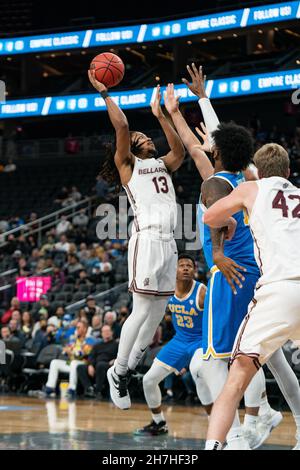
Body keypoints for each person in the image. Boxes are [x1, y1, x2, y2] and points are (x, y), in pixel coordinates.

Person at [165, 66, 298, 449]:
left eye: (215, 145)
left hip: (236, 273)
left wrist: (219, 251)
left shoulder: (229, 183)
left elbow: (200, 153)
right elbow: (209, 145)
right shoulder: (244, 181)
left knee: (217, 361)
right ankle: (269, 417)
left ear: (220, 150)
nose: (208, 146)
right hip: (262, 276)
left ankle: (236, 433)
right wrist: (194, 106)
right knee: (269, 359)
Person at [88, 70, 185, 410]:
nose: (147, 138)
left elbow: (180, 151)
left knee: (158, 313)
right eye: (143, 136)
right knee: (141, 308)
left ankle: (127, 370)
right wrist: (105, 94)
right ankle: (118, 370)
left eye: (147, 136)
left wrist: (161, 116)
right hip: (145, 239)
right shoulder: (127, 163)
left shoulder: (161, 163)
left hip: (169, 242)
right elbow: (123, 127)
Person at [203, 143, 300, 451]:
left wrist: (231, 220)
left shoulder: (250, 189)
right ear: (288, 171)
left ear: (257, 170)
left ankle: (216, 446)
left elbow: (210, 217)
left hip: (278, 290)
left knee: (237, 376)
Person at [135, 254, 210, 436]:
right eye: (181, 265)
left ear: (194, 270)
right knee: (149, 380)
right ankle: (159, 423)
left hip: (200, 340)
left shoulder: (202, 292)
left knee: (198, 371)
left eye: (189, 266)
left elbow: (215, 320)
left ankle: (217, 427)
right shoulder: (167, 290)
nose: (185, 268)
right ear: (174, 270)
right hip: (179, 340)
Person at [45, 319, 96, 399]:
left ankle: (72, 389)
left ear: (85, 329)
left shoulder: (90, 340)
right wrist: (69, 351)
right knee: (55, 362)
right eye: (76, 327)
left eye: (79, 327)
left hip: (83, 364)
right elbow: (64, 352)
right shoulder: (74, 340)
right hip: (71, 363)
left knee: (74, 362)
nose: (77, 329)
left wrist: (71, 352)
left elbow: (81, 355)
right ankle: (50, 387)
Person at [77, 325, 118, 399]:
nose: (106, 333)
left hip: (109, 365)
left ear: (112, 332)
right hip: (96, 365)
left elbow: (120, 357)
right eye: (104, 331)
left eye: (108, 331)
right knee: (80, 367)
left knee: (100, 365)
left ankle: (98, 391)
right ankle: (89, 389)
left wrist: (114, 361)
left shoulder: (116, 345)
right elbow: (91, 357)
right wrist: (90, 365)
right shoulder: (97, 345)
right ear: (101, 334)